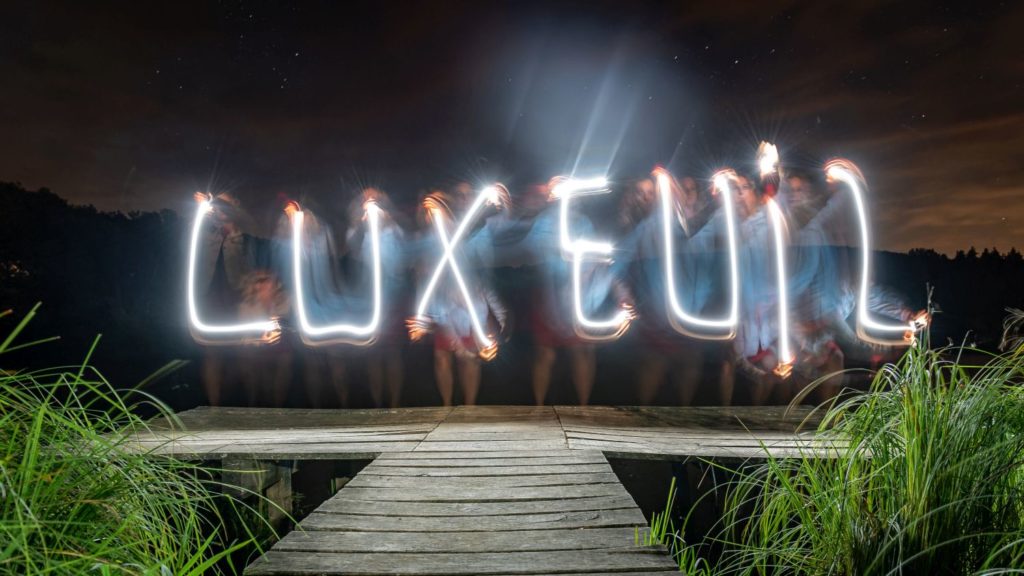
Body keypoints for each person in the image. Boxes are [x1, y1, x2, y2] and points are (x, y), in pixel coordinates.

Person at [407, 189, 508, 406]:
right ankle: (446, 406)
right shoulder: (424, 239)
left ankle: (469, 407)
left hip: (466, 302)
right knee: (442, 356)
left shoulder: (463, 233)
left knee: (469, 358)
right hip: (440, 305)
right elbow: (418, 271)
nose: (431, 213)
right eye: (427, 209)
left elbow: (480, 262)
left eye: (435, 207)